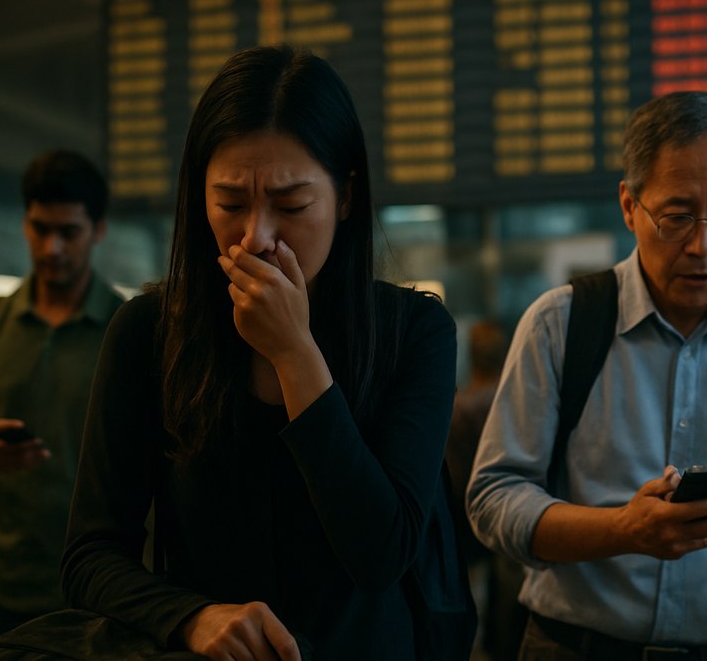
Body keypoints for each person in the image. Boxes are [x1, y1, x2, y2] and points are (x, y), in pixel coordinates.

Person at [60, 45, 463, 661]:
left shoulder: (413, 331)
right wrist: (190, 617)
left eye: (292, 205)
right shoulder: (148, 332)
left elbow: (381, 553)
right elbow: (90, 556)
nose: (257, 238)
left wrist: (296, 354)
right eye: (229, 204)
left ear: (346, 198)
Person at [467, 91, 707, 660]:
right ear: (629, 206)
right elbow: (494, 495)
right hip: (577, 647)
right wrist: (621, 529)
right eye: (677, 216)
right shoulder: (561, 325)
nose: (704, 245)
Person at [0, 149, 124, 660]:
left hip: (96, 598)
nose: (51, 247)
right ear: (24, 223)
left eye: (69, 232)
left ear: (99, 229)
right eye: (40, 229)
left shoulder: (128, 331)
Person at [445, 319, 525, 661]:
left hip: (465, 517)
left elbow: (453, 472)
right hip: (510, 517)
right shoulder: (514, 404)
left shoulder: (460, 406)